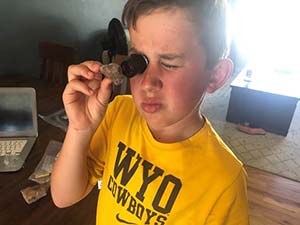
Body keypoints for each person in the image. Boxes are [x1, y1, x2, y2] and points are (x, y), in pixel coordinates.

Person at [51, 0, 249, 224]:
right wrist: (80, 129)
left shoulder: (224, 180)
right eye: (139, 62)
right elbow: (63, 196)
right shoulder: (118, 113)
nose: (147, 83)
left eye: (170, 64)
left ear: (215, 75)